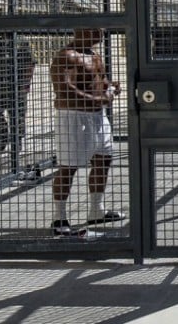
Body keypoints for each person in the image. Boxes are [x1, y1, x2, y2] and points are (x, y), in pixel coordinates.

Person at [49, 28, 124, 237]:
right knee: (68, 167)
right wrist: (96, 100)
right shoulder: (66, 56)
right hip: (73, 117)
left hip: (98, 117)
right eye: (95, 31)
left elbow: (99, 80)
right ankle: (59, 217)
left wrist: (110, 86)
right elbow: (64, 88)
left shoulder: (94, 54)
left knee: (103, 159)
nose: (100, 35)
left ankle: (96, 210)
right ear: (80, 31)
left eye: (100, 31)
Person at [0, 32, 35, 152]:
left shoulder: (22, 42)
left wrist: (26, 83)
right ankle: (2, 136)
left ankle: (17, 140)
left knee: (17, 114)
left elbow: (30, 64)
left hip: (16, 83)